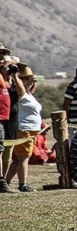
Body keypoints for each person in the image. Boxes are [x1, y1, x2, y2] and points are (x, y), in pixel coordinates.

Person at [4, 66, 41, 192]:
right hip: (25, 129)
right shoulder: (21, 94)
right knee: (24, 157)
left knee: (19, 158)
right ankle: (22, 184)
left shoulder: (29, 95)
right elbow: (21, 92)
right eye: (26, 79)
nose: (30, 82)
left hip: (31, 130)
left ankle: (7, 180)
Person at [0, 50, 18, 193]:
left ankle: (3, 180)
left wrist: (13, 74)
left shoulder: (6, 80)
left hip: (6, 120)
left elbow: (21, 93)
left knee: (4, 152)